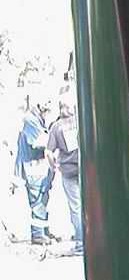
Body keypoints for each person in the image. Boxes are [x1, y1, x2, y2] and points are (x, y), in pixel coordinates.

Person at [14, 95, 54, 245]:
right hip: (33, 166)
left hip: (38, 165)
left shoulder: (36, 119)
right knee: (37, 199)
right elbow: (39, 141)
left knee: (43, 198)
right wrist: (54, 138)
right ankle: (38, 234)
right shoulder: (30, 120)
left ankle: (44, 230)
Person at [47, 91, 82, 254]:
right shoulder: (80, 121)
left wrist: (53, 166)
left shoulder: (56, 127)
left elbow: (48, 151)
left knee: (75, 206)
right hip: (84, 169)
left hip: (68, 171)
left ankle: (80, 242)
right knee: (89, 203)